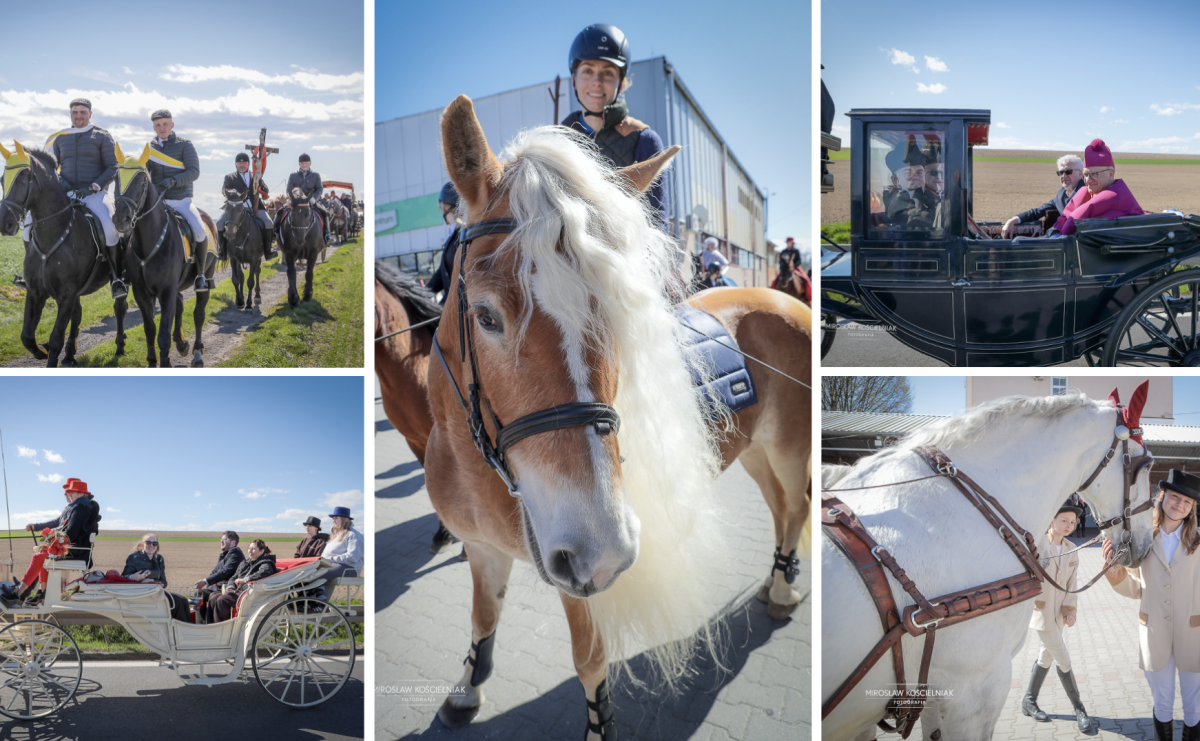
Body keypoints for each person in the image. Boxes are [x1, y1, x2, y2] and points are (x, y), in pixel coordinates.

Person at [1104, 469, 1200, 741]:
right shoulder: (1144, 540)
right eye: (1175, 497)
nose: (1179, 504)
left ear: (1192, 508)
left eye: (1187, 502)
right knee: (1162, 702)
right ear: (1162, 497)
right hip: (1154, 631)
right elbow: (1136, 588)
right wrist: (1114, 570)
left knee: (1195, 706)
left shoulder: (1198, 541)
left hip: (1194, 632)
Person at [560, 23, 670, 229]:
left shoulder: (643, 140)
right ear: (574, 79)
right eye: (587, 70)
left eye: (608, 73)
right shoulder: (557, 139)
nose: (597, 81)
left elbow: (658, 224)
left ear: (621, 82)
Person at [19, 99, 124, 298]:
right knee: (28, 223)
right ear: (70, 114)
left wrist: (94, 186)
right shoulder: (60, 138)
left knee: (110, 229)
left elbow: (113, 167)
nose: (79, 116)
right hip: (65, 194)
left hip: (95, 194)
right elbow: (51, 168)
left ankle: (117, 277)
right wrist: (61, 184)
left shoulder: (102, 136)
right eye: (75, 112)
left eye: (83, 112)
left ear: (90, 114)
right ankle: (31, 274)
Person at [1021, 503, 1090, 731]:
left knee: (1046, 657)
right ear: (1052, 520)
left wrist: (1070, 610)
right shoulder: (1039, 545)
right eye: (1064, 520)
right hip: (1041, 612)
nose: (1069, 525)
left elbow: (1072, 583)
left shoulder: (1072, 547)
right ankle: (1079, 708)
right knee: (1063, 658)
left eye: (1072, 522)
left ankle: (1029, 701)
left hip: (1059, 614)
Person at [3, 478, 101, 605]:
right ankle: (41, 594)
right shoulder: (78, 507)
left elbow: (70, 534)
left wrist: (51, 537)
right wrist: (46, 535)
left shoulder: (81, 509)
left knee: (39, 557)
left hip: (76, 551)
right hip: (73, 549)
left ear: (82, 493)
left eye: (72, 492)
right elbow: (63, 527)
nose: (69, 494)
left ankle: (20, 592)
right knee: (44, 553)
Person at [146, 110, 208, 292]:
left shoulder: (185, 145)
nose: (162, 127)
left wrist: (173, 181)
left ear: (172, 125)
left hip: (181, 200)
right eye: (158, 125)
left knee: (199, 230)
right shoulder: (150, 148)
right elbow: (146, 172)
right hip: (158, 202)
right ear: (154, 127)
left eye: (165, 124)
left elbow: (194, 171)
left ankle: (200, 274)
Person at [1053, 139, 1145, 236]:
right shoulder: (1087, 190)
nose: (1088, 180)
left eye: (1094, 174)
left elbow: (1074, 219)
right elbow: (1065, 216)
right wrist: (1054, 233)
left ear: (1111, 174)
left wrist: (1057, 239)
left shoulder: (1113, 194)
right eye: (1086, 174)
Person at [1002, 155, 1086, 238]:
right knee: (1019, 240)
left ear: (1080, 174)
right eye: (1060, 173)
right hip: (1060, 237)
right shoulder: (1060, 194)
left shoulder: (1088, 192)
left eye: (1068, 172)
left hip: (1078, 240)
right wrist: (1013, 220)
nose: (1063, 176)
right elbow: (1038, 211)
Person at [216, 152, 273, 260]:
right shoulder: (230, 177)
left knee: (268, 223)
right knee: (219, 223)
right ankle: (222, 251)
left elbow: (265, 189)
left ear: (248, 164)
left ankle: (268, 250)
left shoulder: (256, 175)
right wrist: (237, 195)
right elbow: (225, 190)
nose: (242, 165)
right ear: (236, 165)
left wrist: (260, 187)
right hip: (234, 209)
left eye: (244, 163)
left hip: (255, 207)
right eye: (239, 163)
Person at [206, 539, 277, 624]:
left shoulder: (266, 563)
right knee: (213, 597)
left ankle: (221, 629)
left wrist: (244, 580)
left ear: (262, 551)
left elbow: (264, 573)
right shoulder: (245, 563)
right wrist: (230, 587)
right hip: (237, 592)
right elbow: (234, 577)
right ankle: (210, 626)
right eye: (249, 548)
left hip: (249, 594)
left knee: (222, 600)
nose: (250, 551)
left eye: (253, 549)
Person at [123, 533, 190, 622]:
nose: (151, 545)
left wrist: (153, 581)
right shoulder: (133, 557)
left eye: (154, 543)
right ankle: (181, 629)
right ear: (143, 544)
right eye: (148, 543)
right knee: (178, 601)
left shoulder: (159, 559)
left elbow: (164, 582)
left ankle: (185, 628)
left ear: (157, 545)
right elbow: (122, 578)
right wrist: (132, 577)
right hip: (141, 593)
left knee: (183, 600)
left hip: (156, 591)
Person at [274, 153, 332, 244]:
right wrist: (291, 199)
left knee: (324, 212)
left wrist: (314, 198)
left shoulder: (315, 175)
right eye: (302, 163)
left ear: (310, 163)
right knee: (280, 211)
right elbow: (288, 188)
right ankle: (275, 232)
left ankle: (327, 234)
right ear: (299, 164)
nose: (304, 165)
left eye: (306, 163)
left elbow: (320, 188)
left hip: (311, 201)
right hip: (296, 202)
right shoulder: (293, 175)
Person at [883, 135, 937, 229]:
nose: (915, 177)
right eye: (908, 172)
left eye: (920, 172)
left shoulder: (926, 197)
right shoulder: (898, 204)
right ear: (895, 180)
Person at [192, 531, 244, 624]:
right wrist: (207, 583)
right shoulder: (223, 555)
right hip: (217, 588)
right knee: (199, 594)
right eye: (221, 539)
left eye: (224, 539)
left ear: (233, 542)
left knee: (213, 596)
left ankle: (211, 626)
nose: (221, 542)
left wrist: (205, 581)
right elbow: (214, 572)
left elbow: (225, 572)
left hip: (226, 588)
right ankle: (200, 625)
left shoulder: (236, 553)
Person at [425, 181, 461, 305]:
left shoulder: (463, 234)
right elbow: (442, 273)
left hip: (457, 308)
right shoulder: (454, 234)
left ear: (444, 207)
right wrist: (422, 293)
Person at [315, 507, 363, 600]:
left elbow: (353, 557)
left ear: (346, 519)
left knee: (317, 574)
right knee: (306, 573)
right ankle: (307, 602)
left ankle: (320, 602)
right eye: (333, 518)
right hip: (332, 564)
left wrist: (331, 559)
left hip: (350, 567)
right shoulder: (336, 535)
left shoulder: (353, 535)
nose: (334, 521)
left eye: (337, 518)